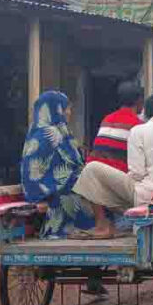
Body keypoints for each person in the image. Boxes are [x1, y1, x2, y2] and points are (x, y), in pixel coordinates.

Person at [72, 93, 153, 239]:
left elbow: (137, 173)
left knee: (91, 168)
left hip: (152, 195)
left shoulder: (139, 130)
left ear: (145, 111)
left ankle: (102, 225)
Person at [20, 91, 95, 239]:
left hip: (42, 189)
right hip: (49, 190)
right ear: (56, 109)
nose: (69, 112)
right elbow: (72, 164)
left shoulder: (36, 132)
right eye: (66, 108)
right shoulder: (53, 133)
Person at [87, 81, 145, 173]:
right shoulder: (138, 125)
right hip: (115, 178)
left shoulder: (107, 120)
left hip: (94, 175)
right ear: (138, 100)